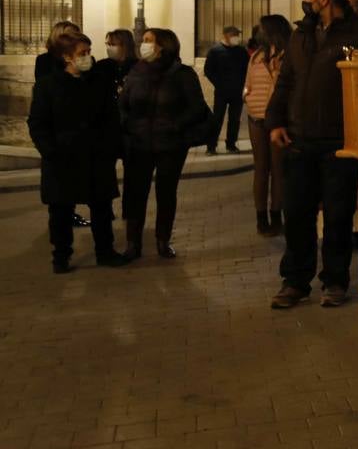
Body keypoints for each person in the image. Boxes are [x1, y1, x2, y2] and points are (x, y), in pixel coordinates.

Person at [266, 0, 358, 310]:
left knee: (339, 216)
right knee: (296, 214)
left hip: (339, 141)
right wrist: (276, 121)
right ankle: (295, 280)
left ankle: (335, 280)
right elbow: (286, 82)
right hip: (299, 139)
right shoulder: (301, 35)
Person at [27, 33, 130, 273]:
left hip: (96, 156)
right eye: (82, 53)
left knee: (102, 208)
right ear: (67, 57)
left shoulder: (99, 81)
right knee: (61, 211)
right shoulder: (48, 85)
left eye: (88, 52)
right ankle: (61, 256)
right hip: (62, 158)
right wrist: (50, 151)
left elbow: (111, 118)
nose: (88, 57)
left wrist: (110, 148)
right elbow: (38, 123)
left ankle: (105, 252)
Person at [120, 28, 211, 260]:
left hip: (170, 144)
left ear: (163, 45)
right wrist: (128, 125)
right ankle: (133, 243)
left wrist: (175, 125)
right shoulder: (137, 71)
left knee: (166, 192)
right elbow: (124, 103)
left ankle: (163, 241)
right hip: (139, 143)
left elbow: (197, 107)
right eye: (144, 40)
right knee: (135, 193)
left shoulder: (182, 73)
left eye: (149, 41)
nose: (143, 44)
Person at [245, 15, 292, 237]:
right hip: (255, 118)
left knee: (279, 169)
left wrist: (274, 71)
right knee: (261, 169)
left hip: (278, 119)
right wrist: (247, 96)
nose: (259, 33)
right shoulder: (256, 57)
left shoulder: (288, 56)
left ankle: (277, 214)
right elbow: (248, 83)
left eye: (263, 29)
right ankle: (260, 217)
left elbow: (285, 86)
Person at [204, 26, 249, 155]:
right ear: (225, 35)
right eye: (233, 34)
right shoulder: (215, 51)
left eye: (237, 34)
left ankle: (231, 144)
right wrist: (219, 84)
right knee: (217, 118)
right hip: (222, 92)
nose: (236, 37)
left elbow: (247, 69)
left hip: (237, 92)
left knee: (235, 119)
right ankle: (211, 146)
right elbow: (208, 70)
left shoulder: (241, 51)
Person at [94, 29, 137, 97]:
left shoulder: (137, 67)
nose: (109, 48)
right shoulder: (101, 65)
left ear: (125, 46)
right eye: (108, 44)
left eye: (113, 44)